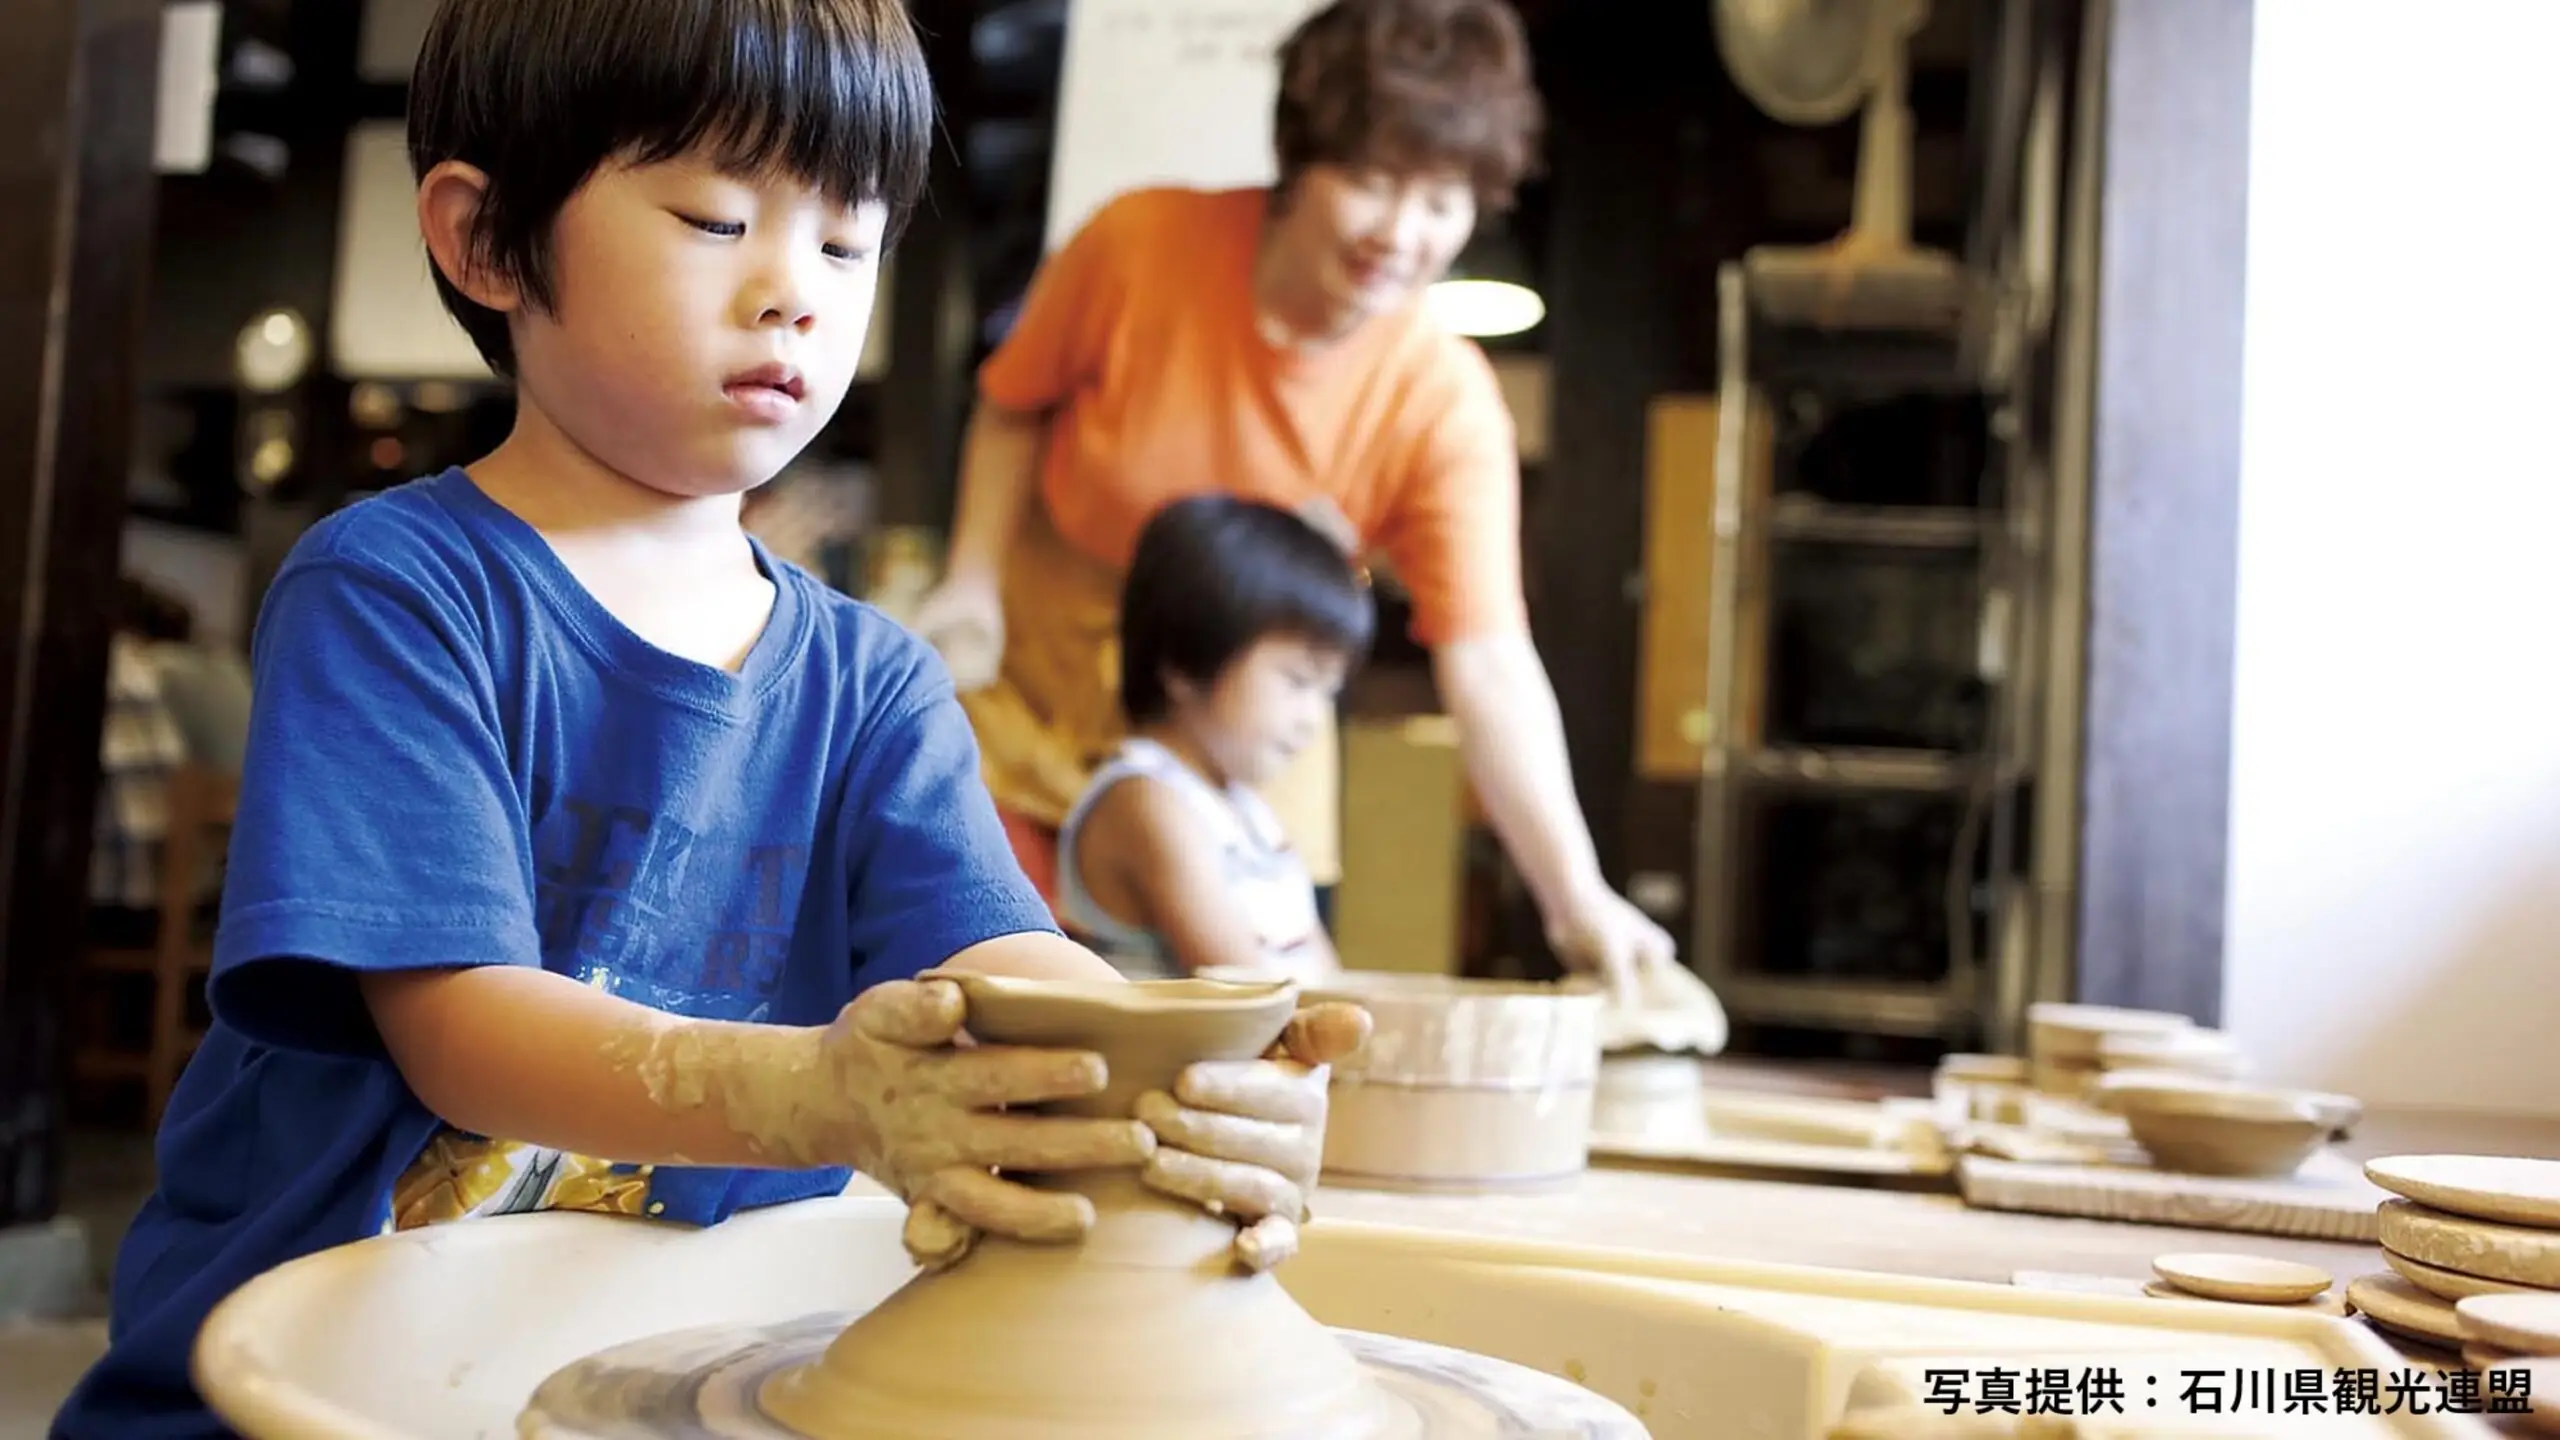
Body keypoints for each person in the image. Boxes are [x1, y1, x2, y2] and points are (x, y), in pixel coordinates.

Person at [51, 2, 1364, 1434]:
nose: (795, 289)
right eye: (715, 217)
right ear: (486, 240)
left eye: (846, 243)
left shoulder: (871, 683)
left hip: (659, 1383)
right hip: (304, 1378)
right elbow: (457, 1032)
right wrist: (823, 1095)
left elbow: (1005, 963)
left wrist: (1172, 1097)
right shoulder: (399, 593)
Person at [909, 0, 1683, 1002]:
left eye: (1442, 199)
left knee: (1258, 1027)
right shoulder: (1136, 243)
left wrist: (1577, 899)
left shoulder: (1440, 400)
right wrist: (971, 580)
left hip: (1238, 758)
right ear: (1297, 161)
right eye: (1370, 181)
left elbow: (1489, 661)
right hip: (1028, 711)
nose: (1402, 234)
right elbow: (1011, 407)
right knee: (995, 1015)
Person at [1057, 495, 1370, 983]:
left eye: (1327, 693)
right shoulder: (1145, 799)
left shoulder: (1247, 813)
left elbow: (1330, 983)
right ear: (1186, 661)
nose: (1313, 718)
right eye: (1296, 681)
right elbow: (1246, 989)